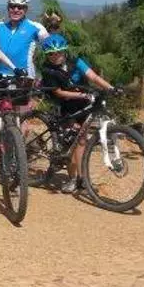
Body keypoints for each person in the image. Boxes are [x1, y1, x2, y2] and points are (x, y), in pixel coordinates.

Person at [39, 34, 118, 194]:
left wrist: (111, 88)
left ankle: (81, 179)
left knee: (81, 140)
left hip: (84, 105)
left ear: (64, 51)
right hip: (65, 106)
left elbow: (93, 76)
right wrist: (82, 95)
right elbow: (59, 93)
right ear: (47, 55)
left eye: (59, 52)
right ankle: (74, 179)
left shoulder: (76, 61)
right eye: (51, 54)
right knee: (74, 141)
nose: (56, 56)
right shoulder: (48, 70)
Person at [0, 0, 48, 78]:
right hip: (0, 75)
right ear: (8, 8)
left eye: (20, 7)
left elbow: (52, 46)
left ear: (26, 9)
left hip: (24, 76)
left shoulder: (35, 27)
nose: (16, 10)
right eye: (12, 6)